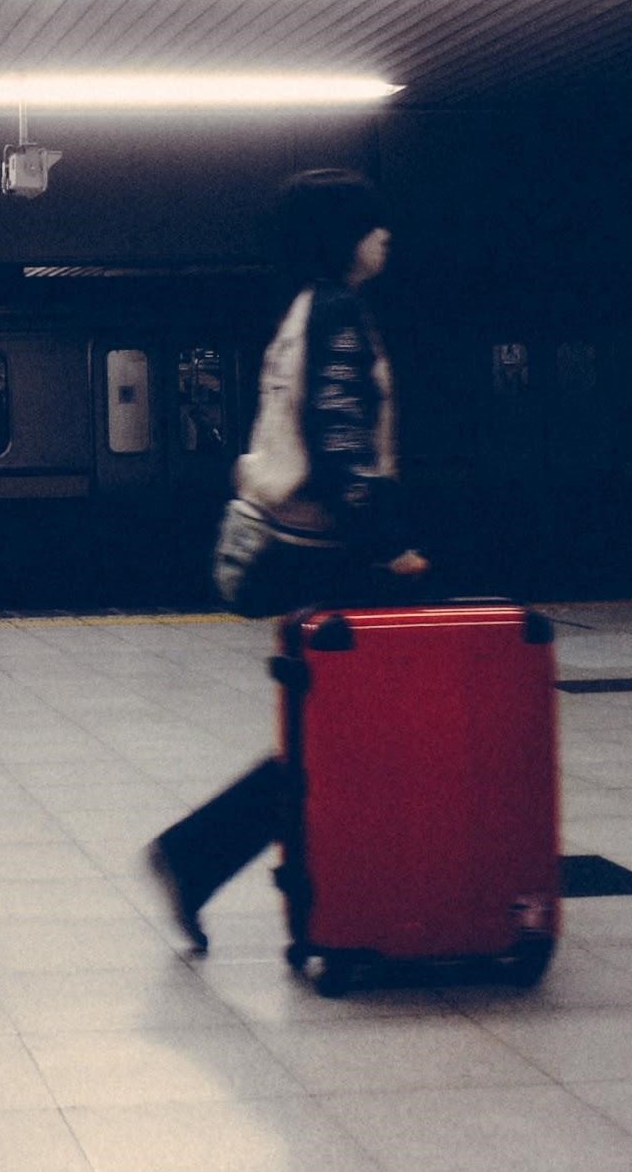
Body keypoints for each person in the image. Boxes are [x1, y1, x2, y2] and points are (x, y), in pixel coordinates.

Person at [148, 169, 429, 954]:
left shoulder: (305, 312)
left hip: (304, 546)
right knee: (347, 735)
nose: (386, 238)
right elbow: (339, 434)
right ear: (344, 236)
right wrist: (390, 546)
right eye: (374, 226)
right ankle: (207, 857)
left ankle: (302, 881)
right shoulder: (338, 312)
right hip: (327, 554)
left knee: (335, 732)